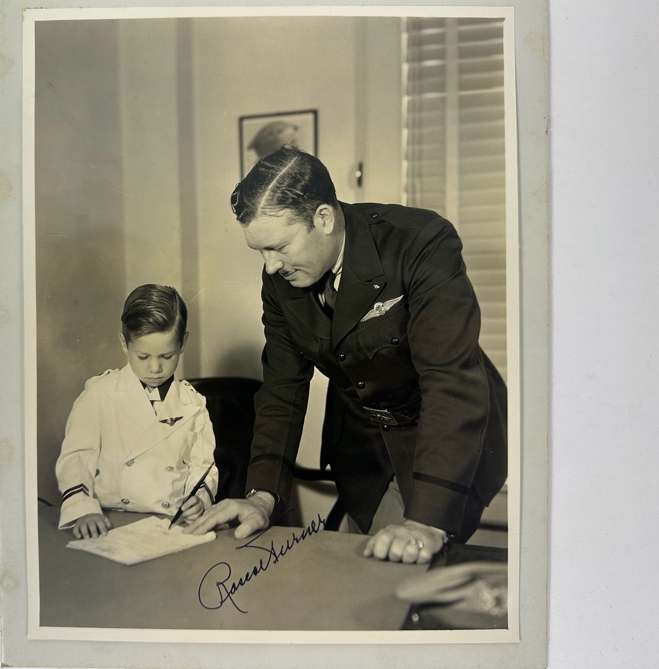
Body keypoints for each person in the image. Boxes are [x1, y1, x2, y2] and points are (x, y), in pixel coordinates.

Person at [187, 146, 506, 565]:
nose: (269, 267)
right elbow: (283, 388)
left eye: (278, 247)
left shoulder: (421, 241)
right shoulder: (282, 279)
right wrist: (261, 495)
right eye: (259, 252)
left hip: (443, 436)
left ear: (323, 218)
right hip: (362, 447)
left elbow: (450, 381)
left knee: (395, 575)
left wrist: (427, 520)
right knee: (362, 568)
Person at [55, 284, 219, 539]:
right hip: (109, 520)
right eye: (143, 356)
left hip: (171, 524)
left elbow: (203, 467)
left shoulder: (194, 405)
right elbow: (76, 459)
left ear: (183, 342)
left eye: (167, 355)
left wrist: (199, 498)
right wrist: (83, 509)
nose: (155, 368)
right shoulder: (99, 394)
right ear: (124, 343)